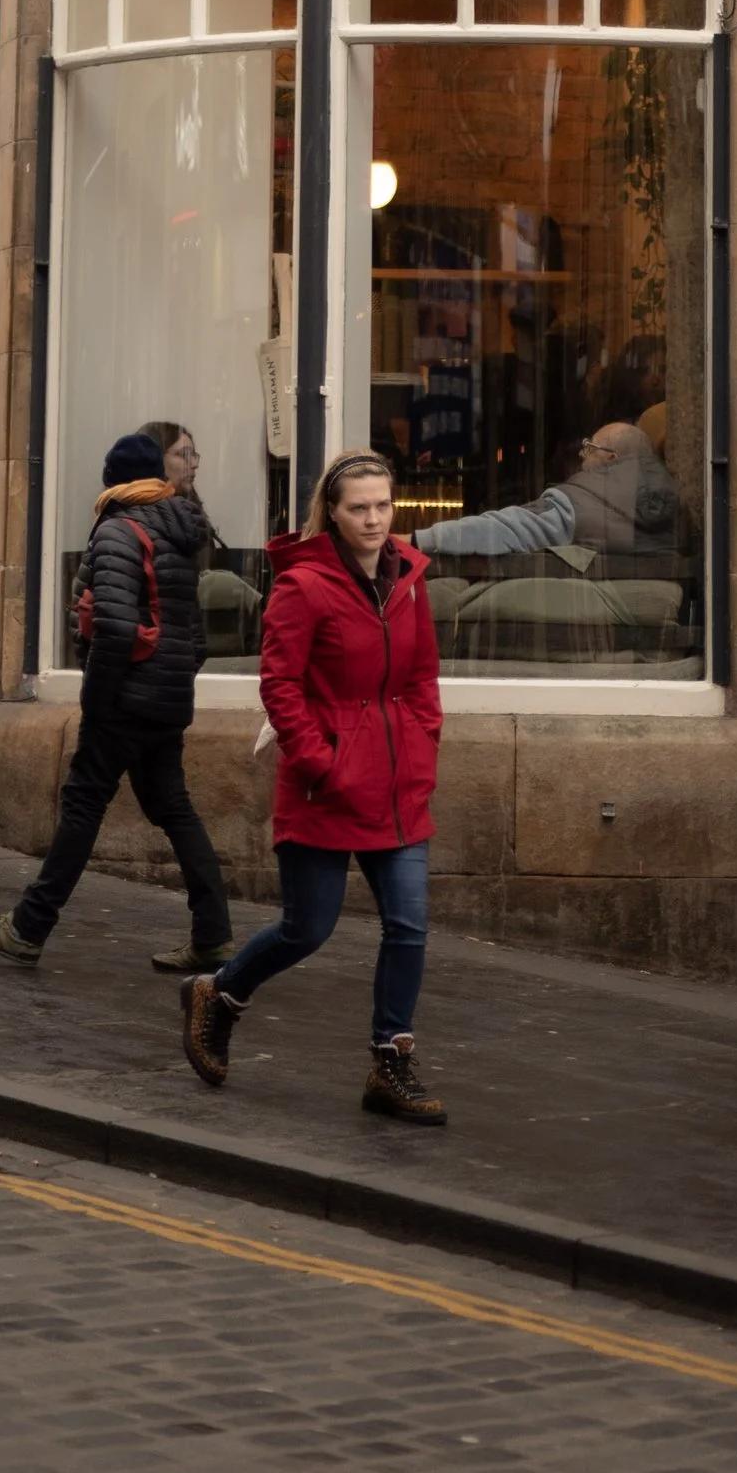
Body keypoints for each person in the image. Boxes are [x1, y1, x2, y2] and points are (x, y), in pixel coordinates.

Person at [181, 449, 446, 1125]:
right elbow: (280, 685)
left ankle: (391, 1059)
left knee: (409, 924)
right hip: (324, 785)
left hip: (396, 782)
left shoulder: (410, 578)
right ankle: (220, 994)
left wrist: (421, 739)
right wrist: (323, 761)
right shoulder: (304, 585)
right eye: (359, 507)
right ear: (331, 510)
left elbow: (420, 677)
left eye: (383, 505)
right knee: (307, 929)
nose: (374, 519)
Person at [0, 429, 231, 973]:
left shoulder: (118, 530)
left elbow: (116, 630)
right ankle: (214, 935)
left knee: (83, 806)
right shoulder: (178, 529)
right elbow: (194, 637)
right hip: (165, 701)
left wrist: (99, 700)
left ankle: (28, 929)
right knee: (175, 809)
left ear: (114, 482)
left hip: (123, 702)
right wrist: (170, 684)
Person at [420, 420, 681, 571]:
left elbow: (503, 528)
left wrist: (418, 539)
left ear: (612, 459)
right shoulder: (680, 510)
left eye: (589, 447)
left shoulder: (575, 506)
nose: (581, 454)